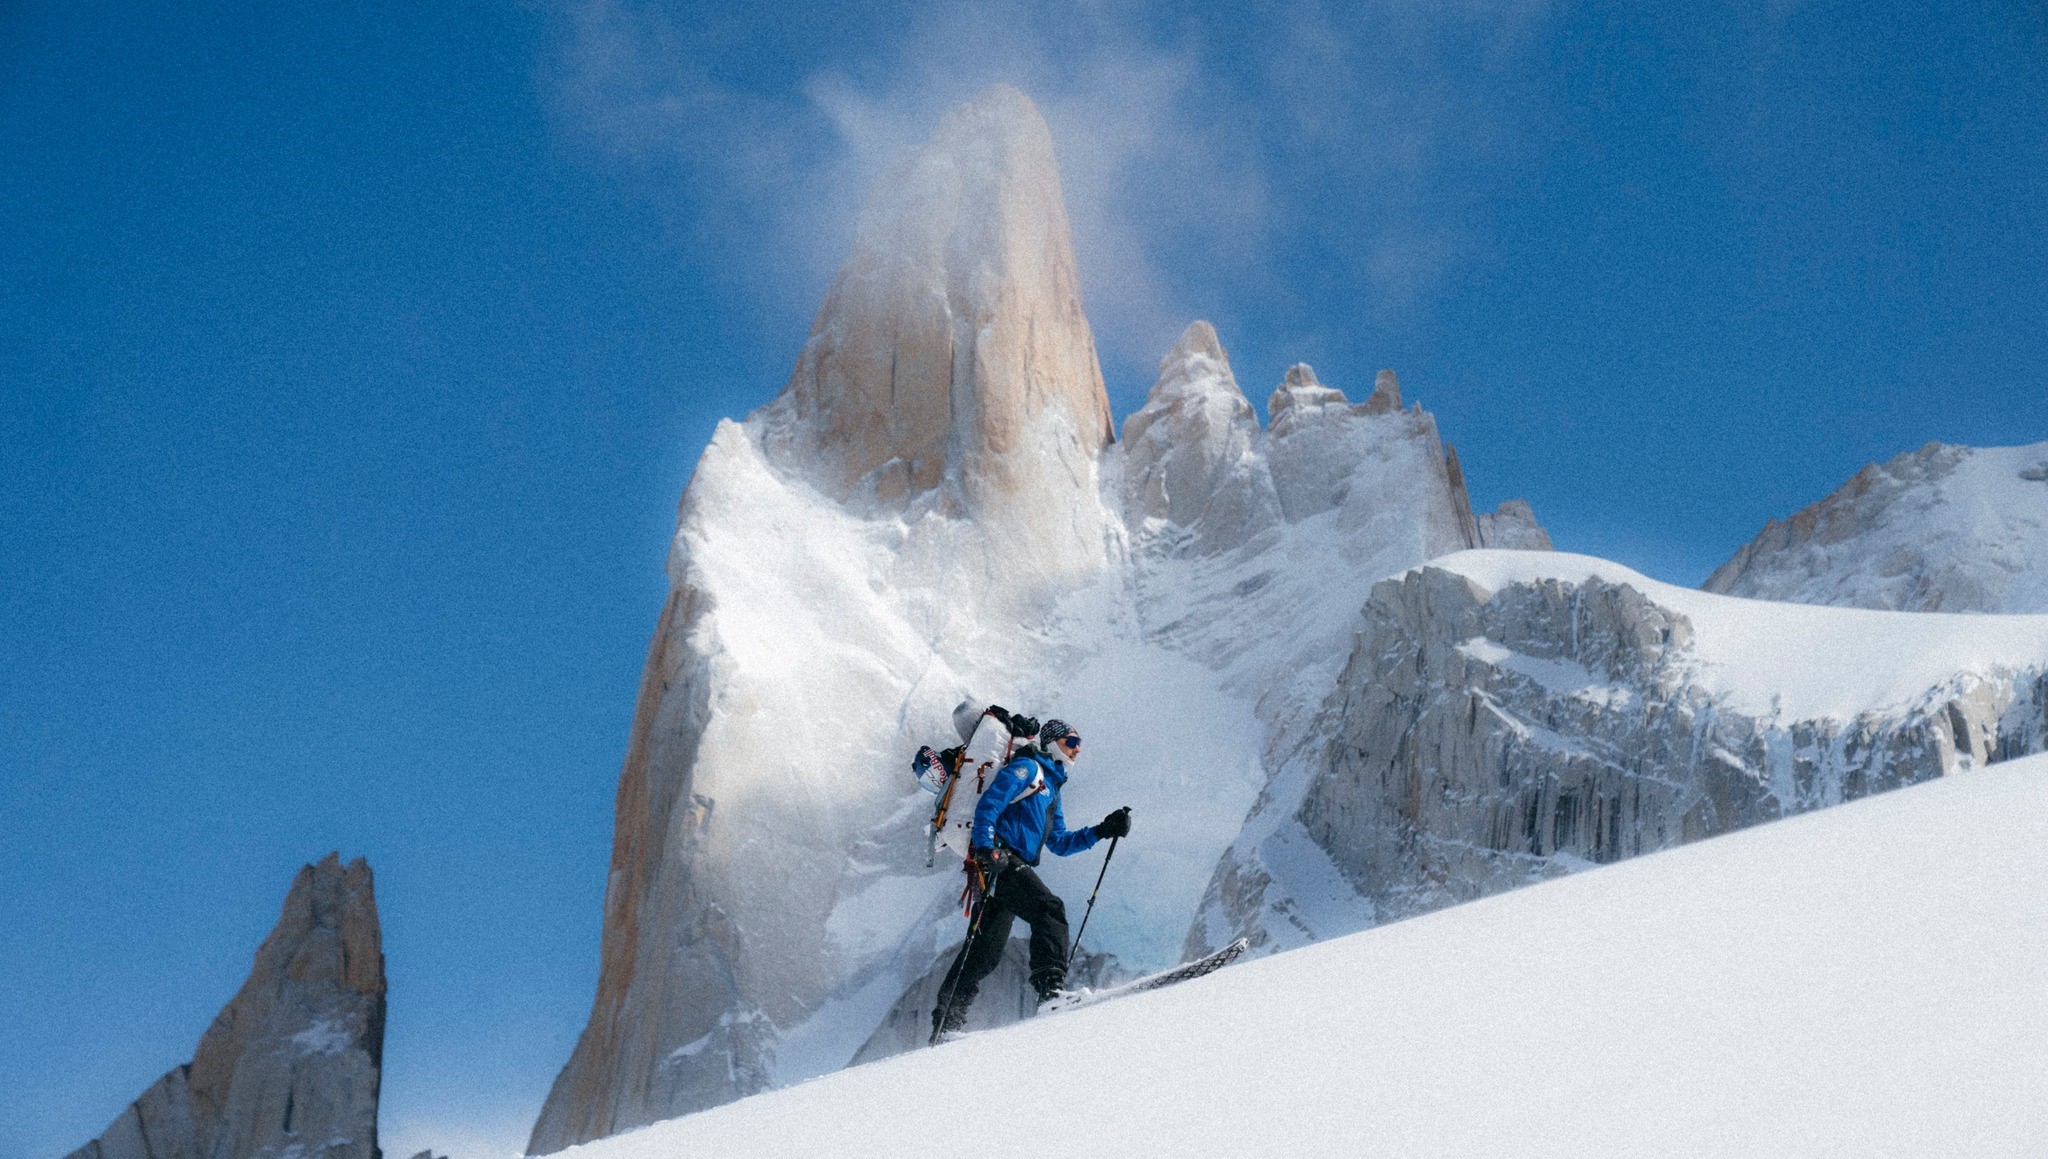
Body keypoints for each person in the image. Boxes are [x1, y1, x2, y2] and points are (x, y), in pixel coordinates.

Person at [929, 718, 1131, 1040]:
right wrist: (984, 847)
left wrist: (1103, 830)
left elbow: (1060, 842)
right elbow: (989, 806)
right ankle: (1051, 994)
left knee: (985, 951)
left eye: (1078, 744)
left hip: (1002, 863)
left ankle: (945, 1024)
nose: (1076, 750)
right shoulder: (1027, 769)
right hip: (998, 858)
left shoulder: (1051, 790)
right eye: (1071, 742)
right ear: (1052, 741)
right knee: (1049, 910)